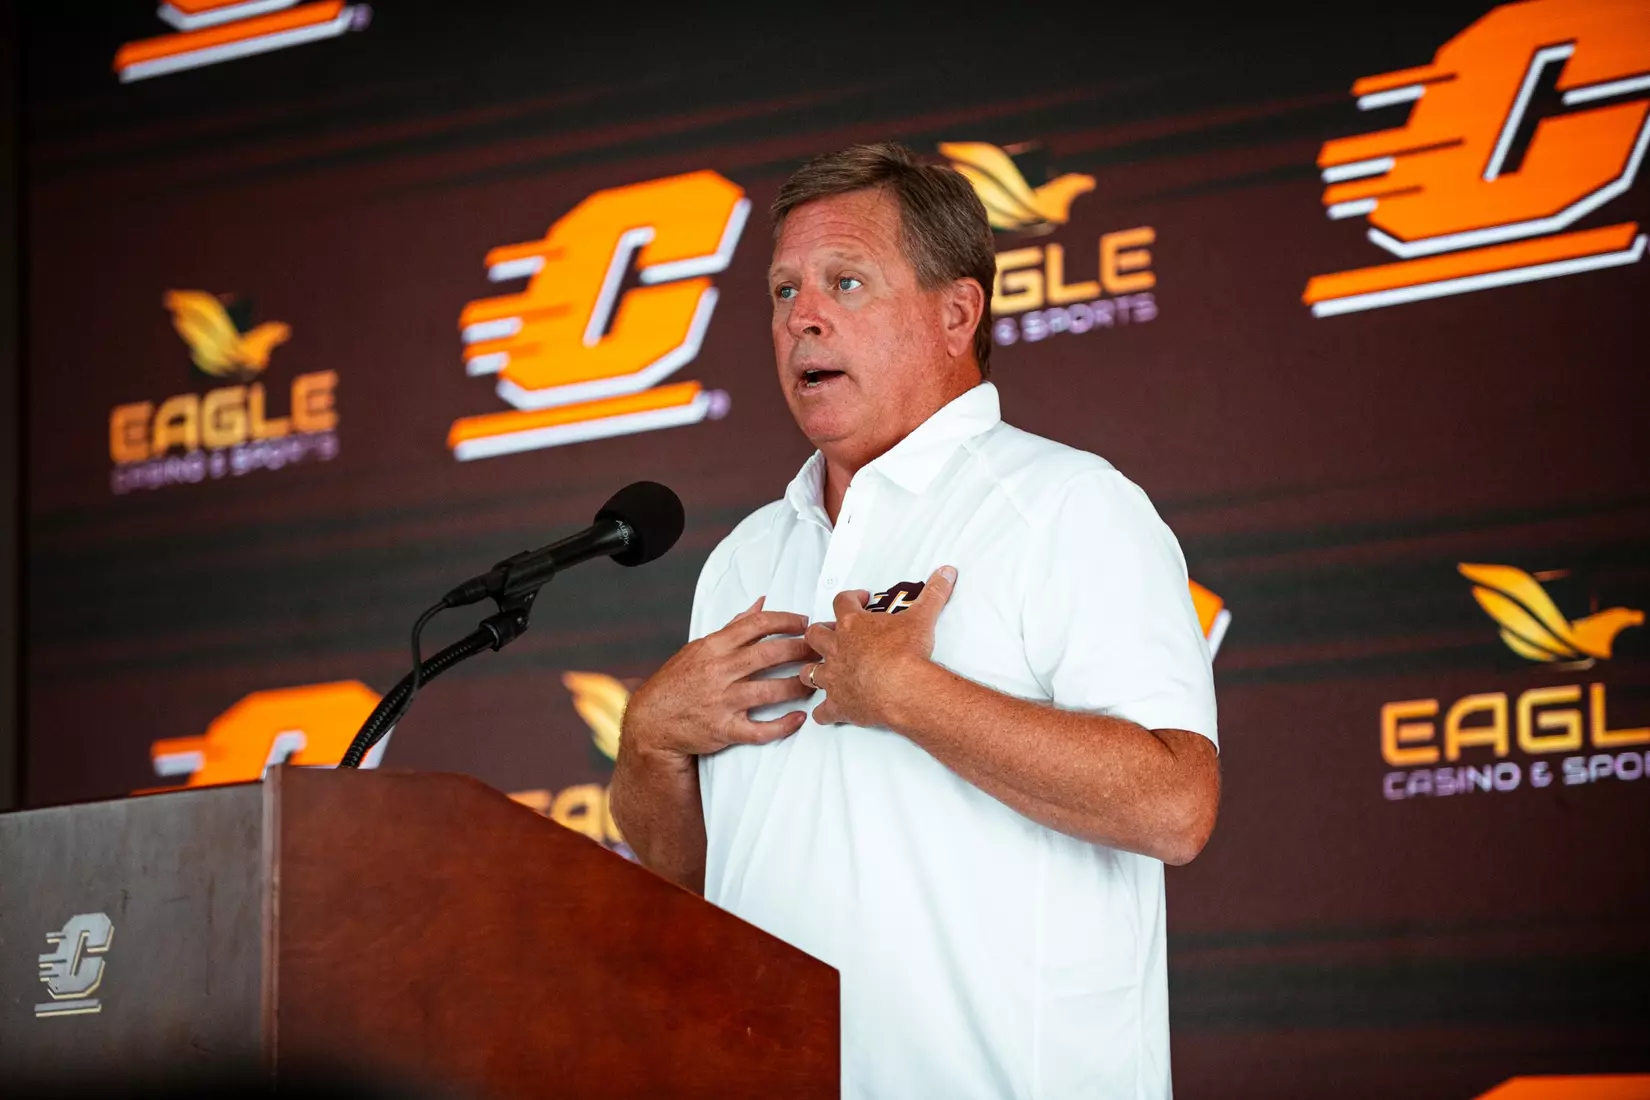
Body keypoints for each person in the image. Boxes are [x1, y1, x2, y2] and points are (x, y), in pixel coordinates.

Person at [609, 142, 1219, 1099]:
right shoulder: (746, 559)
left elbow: (1175, 807)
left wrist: (911, 695)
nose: (802, 317)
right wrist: (647, 745)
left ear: (956, 313)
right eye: (782, 292)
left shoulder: (1067, 505)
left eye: (845, 283)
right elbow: (704, 886)